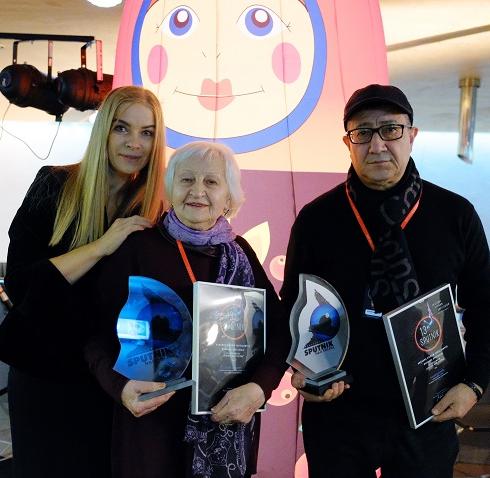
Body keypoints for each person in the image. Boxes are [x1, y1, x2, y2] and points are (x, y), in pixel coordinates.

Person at [280, 84, 490, 478]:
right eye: (362, 132)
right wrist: (303, 372)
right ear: (348, 143)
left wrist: (475, 384)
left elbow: (485, 305)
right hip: (339, 410)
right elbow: (292, 306)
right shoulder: (317, 219)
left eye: (390, 129)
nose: (377, 145)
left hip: (428, 408)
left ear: (412, 135)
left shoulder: (455, 215)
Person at [85, 141, 290, 478]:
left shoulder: (241, 254)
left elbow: (278, 331)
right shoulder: (138, 247)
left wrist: (259, 389)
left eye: (211, 181)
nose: (197, 191)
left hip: (224, 423)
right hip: (150, 427)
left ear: (229, 196)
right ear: (170, 189)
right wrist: (120, 386)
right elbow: (94, 332)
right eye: (186, 179)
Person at [0, 85, 166, 478]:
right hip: (44, 375)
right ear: (104, 130)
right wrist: (102, 246)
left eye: (146, 133)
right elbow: (21, 286)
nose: (134, 143)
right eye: (122, 128)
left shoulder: (154, 210)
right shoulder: (55, 185)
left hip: (109, 381)